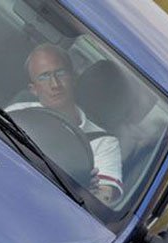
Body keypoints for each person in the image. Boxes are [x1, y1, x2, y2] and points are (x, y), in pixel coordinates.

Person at [7, 43, 123, 205]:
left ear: (73, 79)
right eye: (44, 77)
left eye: (60, 73)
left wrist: (82, 189)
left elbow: (103, 198)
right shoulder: (18, 113)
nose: (55, 84)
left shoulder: (103, 142)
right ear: (33, 89)